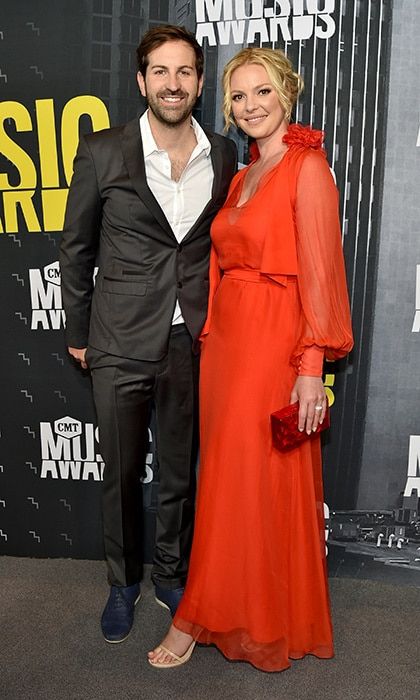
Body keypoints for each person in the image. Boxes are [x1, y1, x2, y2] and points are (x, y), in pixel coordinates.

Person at [148, 47, 353, 672]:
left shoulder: (307, 168)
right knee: (227, 483)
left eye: (262, 92)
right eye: (238, 97)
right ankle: (228, 603)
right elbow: (219, 264)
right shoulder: (241, 174)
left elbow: (320, 270)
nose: (250, 105)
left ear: (286, 94)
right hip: (227, 344)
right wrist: (210, 335)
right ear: (230, 110)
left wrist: (310, 366)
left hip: (275, 342)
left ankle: (207, 617)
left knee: (259, 481)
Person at [59, 25, 237, 644]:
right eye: (160, 71)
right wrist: (78, 332)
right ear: (141, 81)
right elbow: (76, 249)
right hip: (116, 339)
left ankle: (171, 573)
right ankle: (122, 584)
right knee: (122, 471)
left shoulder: (223, 152)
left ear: (199, 82)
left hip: (192, 340)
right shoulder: (103, 151)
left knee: (180, 473)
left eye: (185, 72)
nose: (172, 83)